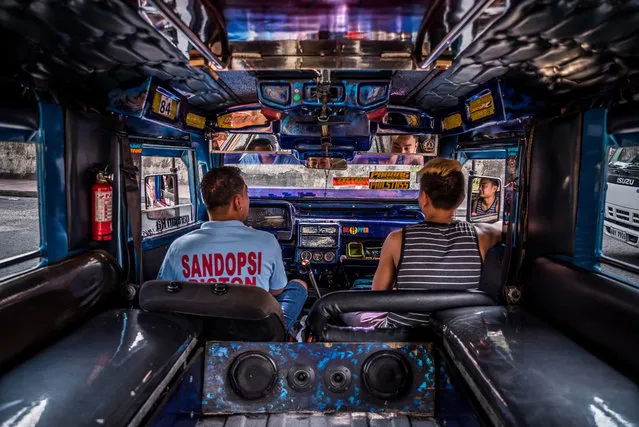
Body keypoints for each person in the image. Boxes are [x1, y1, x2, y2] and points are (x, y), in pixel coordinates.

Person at [343, 158, 501, 328]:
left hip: (402, 332)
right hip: (457, 332)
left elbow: (377, 299)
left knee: (345, 307)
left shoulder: (397, 240)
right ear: (462, 199)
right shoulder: (481, 236)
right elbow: (503, 227)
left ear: (424, 198)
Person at [157, 166, 307, 333]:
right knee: (298, 286)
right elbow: (276, 290)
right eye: (246, 195)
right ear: (238, 202)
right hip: (256, 332)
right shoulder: (267, 241)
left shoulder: (179, 246)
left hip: (199, 332)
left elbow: (164, 294)